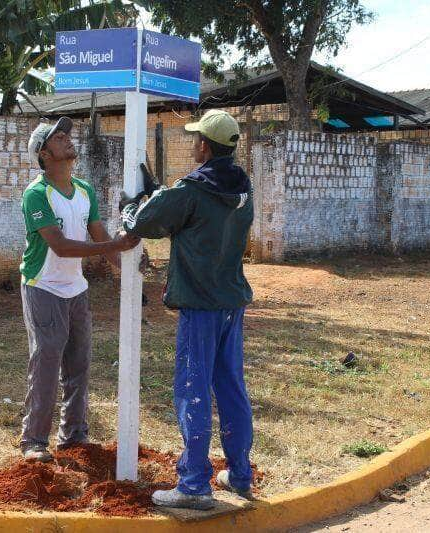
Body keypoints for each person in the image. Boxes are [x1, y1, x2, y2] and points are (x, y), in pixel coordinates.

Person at [121, 109, 254, 510]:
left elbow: (144, 222)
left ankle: (194, 485)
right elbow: (195, 214)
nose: (192, 142)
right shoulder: (241, 189)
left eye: (196, 138)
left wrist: (134, 205)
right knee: (231, 387)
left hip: (200, 305)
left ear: (206, 146)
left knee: (193, 390)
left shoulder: (192, 189)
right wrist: (162, 192)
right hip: (231, 303)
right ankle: (241, 475)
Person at [19, 117, 140, 462]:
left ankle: (73, 436)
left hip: (75, 289)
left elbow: (101, 236)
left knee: (79, 363)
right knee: (46, 360)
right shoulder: (37, 194)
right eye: (58, 138)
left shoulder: (84, 190)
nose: (67, 140)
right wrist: (111, 248)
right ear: (44, 154)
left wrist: (128, 269)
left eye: (67, 136)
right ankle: (34, 442)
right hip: (43, 287)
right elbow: (61, 246)